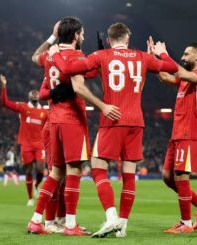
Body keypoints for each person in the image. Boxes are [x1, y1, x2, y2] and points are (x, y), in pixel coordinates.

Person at [49, 22, 178, 238]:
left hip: (112, 118)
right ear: (127, 39)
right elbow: (173, 68)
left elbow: (69, 69)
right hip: (136, 121)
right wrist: (162, 54)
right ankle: (123, 227)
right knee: (129, 174)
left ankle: (111, 218)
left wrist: (55, 54)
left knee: (98, 168)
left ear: (109, 40)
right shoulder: (143, 57)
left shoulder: (102, 55)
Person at [27, 17, 120, 236]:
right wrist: (102, 106)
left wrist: (52, 36)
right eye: (83, 33)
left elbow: (34, 57)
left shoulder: (51, 56)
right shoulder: (76, 56)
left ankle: (36, 220)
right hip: (72, 119)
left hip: (54, 120)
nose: (84, 37)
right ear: (77, 35)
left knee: (56, 172)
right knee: (74, 171)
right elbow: (81, 84)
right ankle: (70, 225)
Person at [151, 40, 197, 233]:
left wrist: (163, 53)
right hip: (178, 132)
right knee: (168, 177)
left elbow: (179, 72)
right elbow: (164, 77)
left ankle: (186, 224)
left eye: (186, 54)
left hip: (191, 132)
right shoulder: (187, 78)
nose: (182, 57)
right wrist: (153, 57)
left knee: (180, 176)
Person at [0, 75, 48, 206]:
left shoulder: (45, 112)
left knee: (40, 170)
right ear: (29, 96)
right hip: (26, 144)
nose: (34, 93)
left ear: (38, 96)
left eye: (36, 92)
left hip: (39, 144)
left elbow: (50, 125)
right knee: (28, 171)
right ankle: (30, 198)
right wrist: (4, 86)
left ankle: (36, 185)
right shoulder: (22, 107)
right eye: (32, 92)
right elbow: (5, 103)